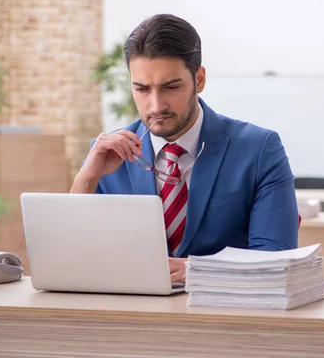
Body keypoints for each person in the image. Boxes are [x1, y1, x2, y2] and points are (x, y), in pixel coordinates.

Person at [71, 14, 299, 283]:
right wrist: (86, 178)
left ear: (199, 80)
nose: (156, 106)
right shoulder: (107, 154)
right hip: (131, 315)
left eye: (171, 87)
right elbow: (74, 257)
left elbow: (276, 258)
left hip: (224, 315)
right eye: (142, 89)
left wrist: (200, 273)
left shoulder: (259, 149)